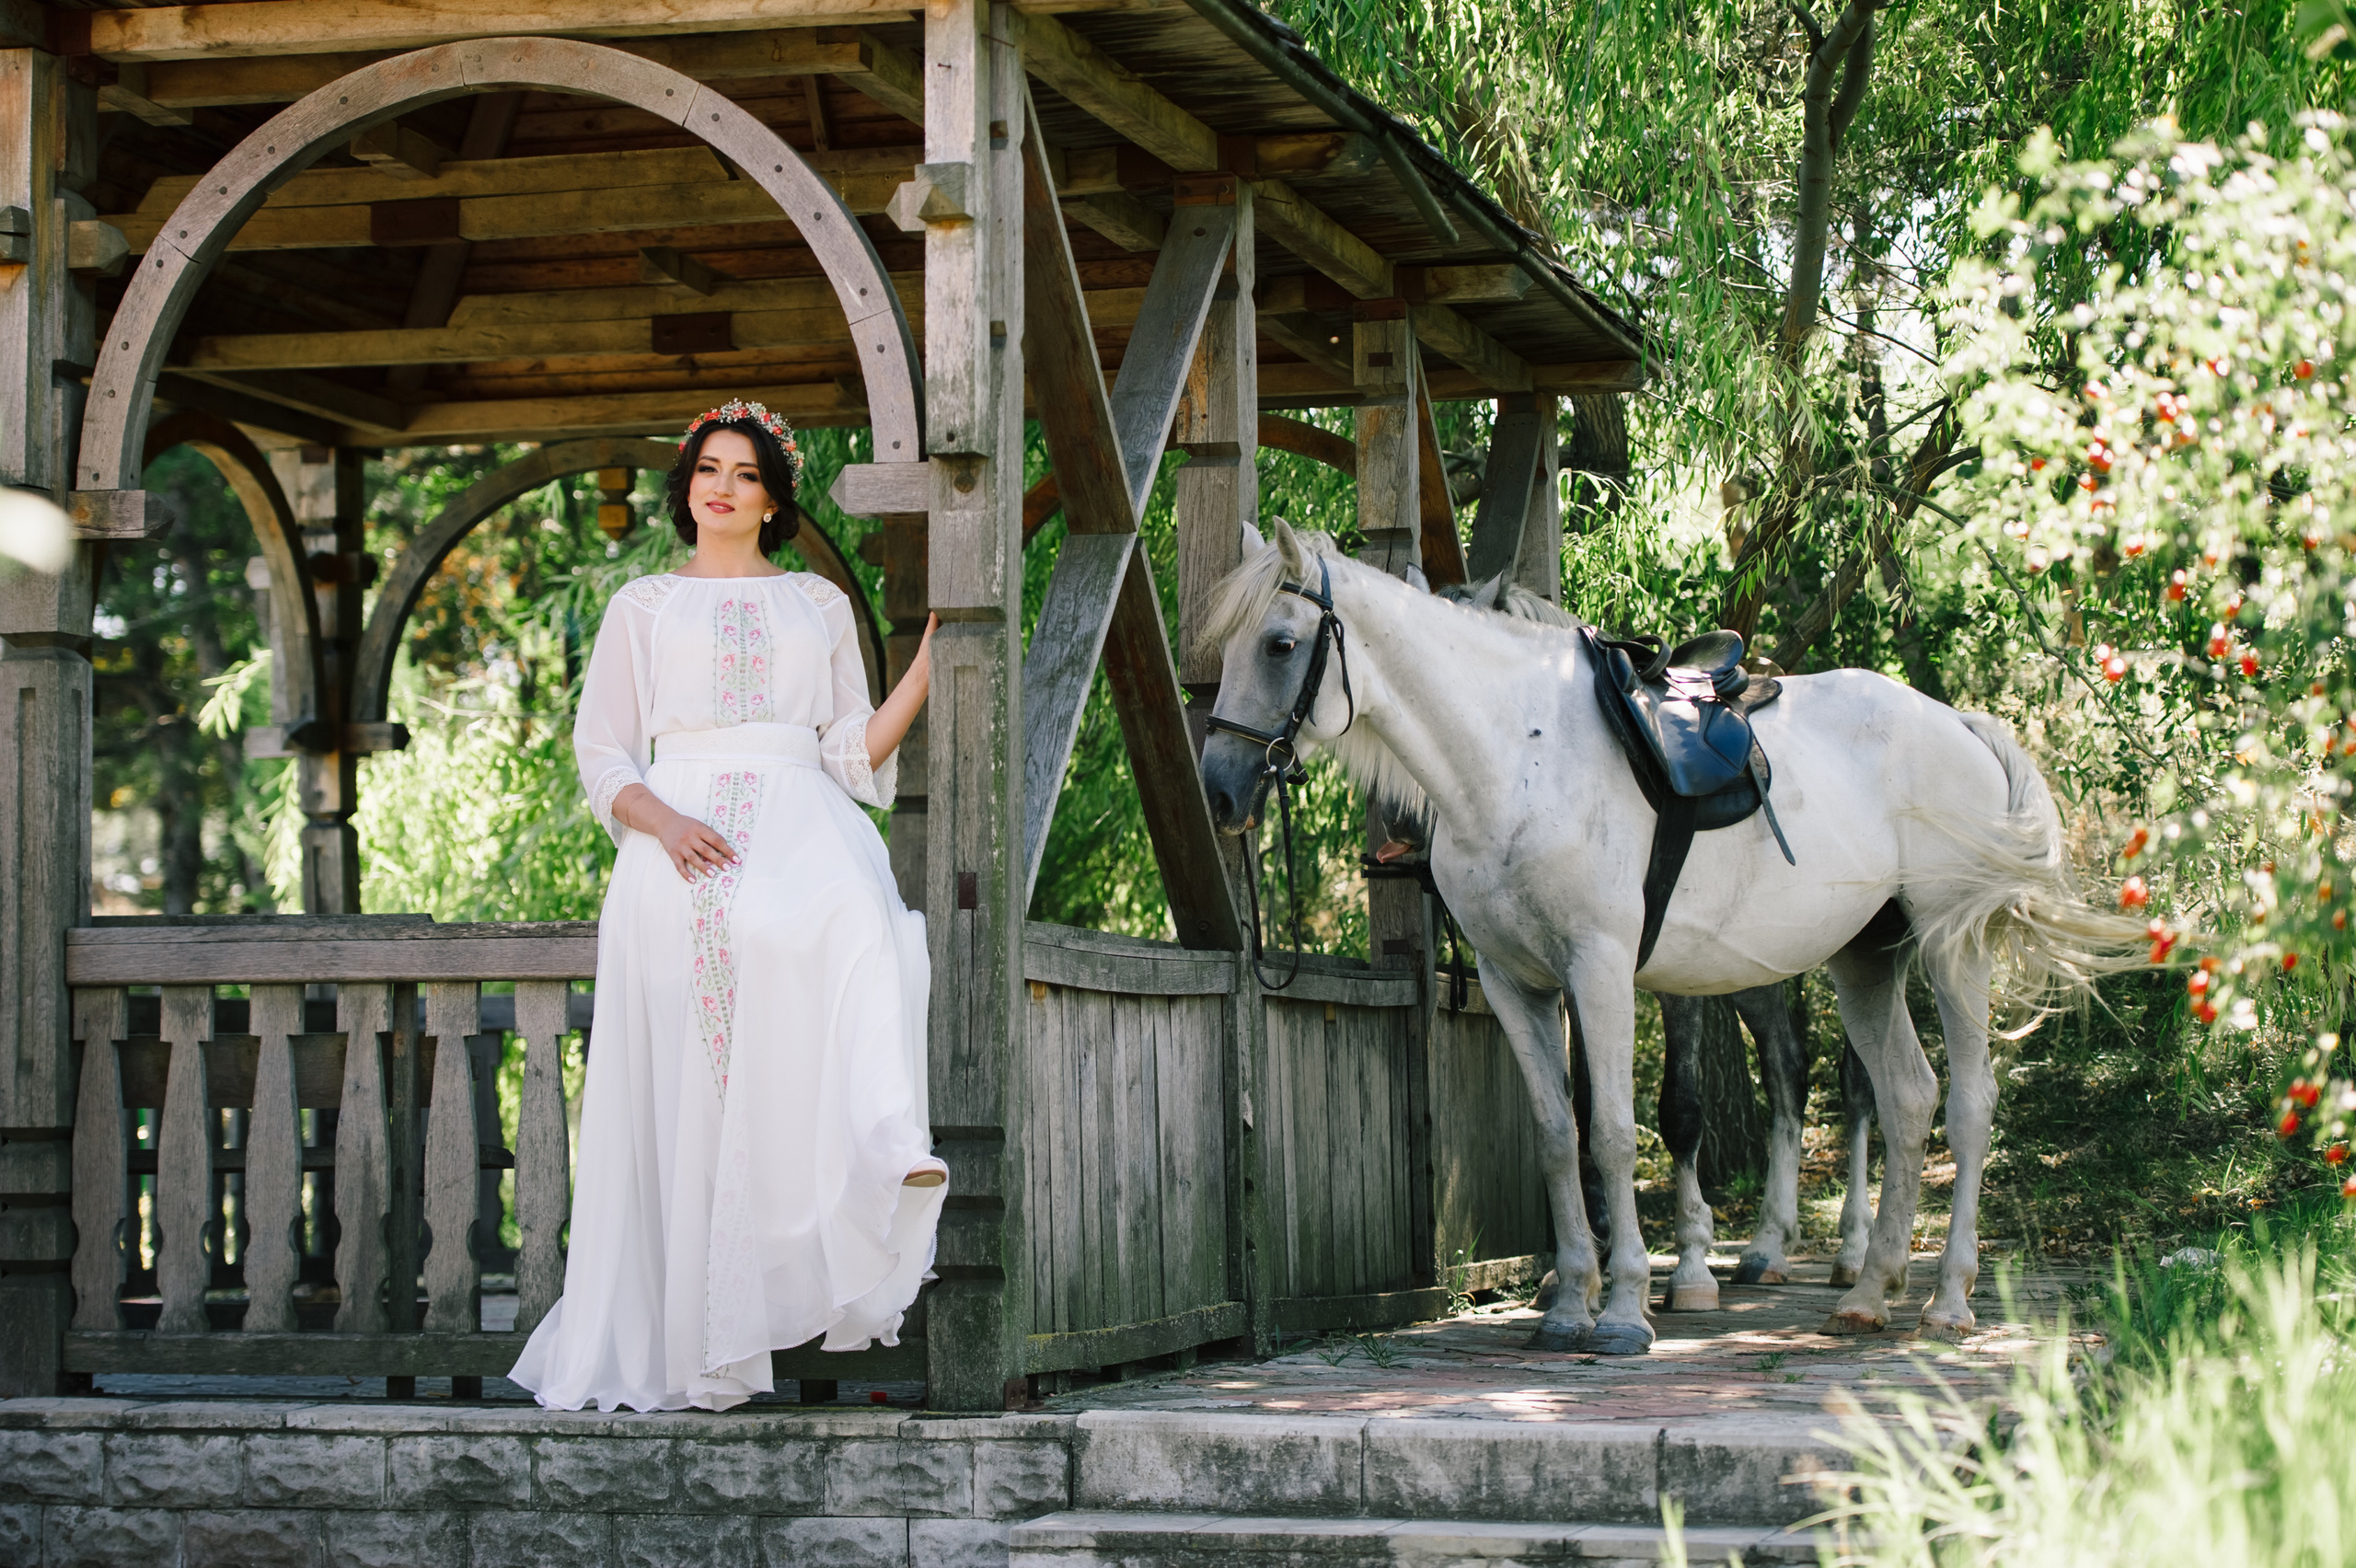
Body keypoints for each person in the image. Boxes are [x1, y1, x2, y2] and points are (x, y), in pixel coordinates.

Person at [509, 399, 945, 1412]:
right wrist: (660, 822)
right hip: (681, 847)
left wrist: (924, 669)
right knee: (695, 1088)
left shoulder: (819, 606)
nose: (723, 486)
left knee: (870, 936)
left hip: (804, 829)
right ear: (687, 487)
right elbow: (601, 750)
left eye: (746, 473)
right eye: (710, 468)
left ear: (772, 498)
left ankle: (884, 1149)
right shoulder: (643, 607)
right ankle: (702, 1336)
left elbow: (848, 751)